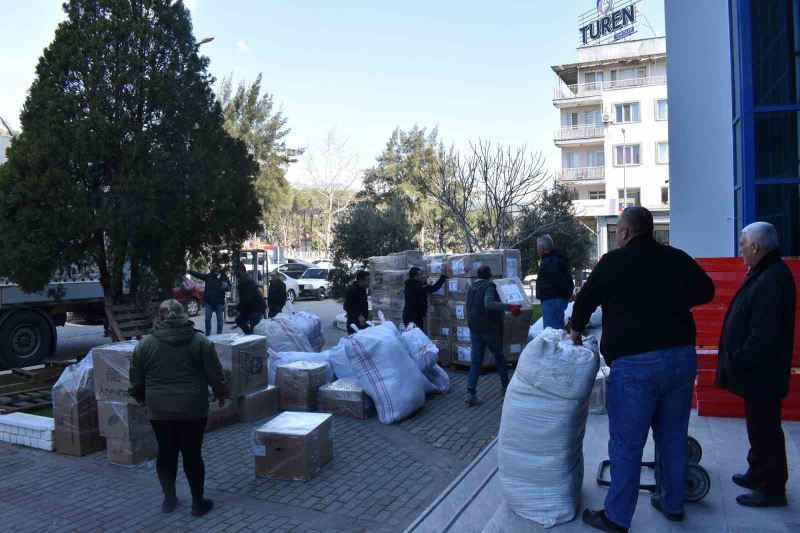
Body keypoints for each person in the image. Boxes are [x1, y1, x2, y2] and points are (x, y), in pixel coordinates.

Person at [570, 207, 715, 533]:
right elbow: (707, 290)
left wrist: (575, 331)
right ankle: (673, 503)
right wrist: (673, 298)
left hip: (635, 366)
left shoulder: (612, 262)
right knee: (673, 437)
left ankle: (617, 517)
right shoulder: (676, 258)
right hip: (680, 359)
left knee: (627, 443)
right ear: (650, 230)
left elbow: (585, 302)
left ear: (623, 232)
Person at [716, 222, 795, 508]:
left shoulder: (771, 278)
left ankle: (772, 488)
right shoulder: (766, 272)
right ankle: (757, 472)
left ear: (756, 247)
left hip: (763, 372)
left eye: (742, 245)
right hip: (759, 373)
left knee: (766, 431)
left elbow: (764, 336)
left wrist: (737, 358)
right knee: (758, 428)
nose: (740, 251)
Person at [128, 299, 227, 517]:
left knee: (166, 454)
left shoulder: (145, 345)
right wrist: (221, 393)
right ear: (184, 315)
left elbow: (135, 380)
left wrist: (141, 398)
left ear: (160, 317)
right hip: (193, 409)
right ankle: (198, 503)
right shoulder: (200, 341)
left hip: (159, 410)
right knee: (192, 454)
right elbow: (215, 374)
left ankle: (169, 500)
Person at [465, 265, 522, 406]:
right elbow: (489, 303)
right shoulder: (488, 286)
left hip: (475, 329)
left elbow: (468, 306)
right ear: (489, 275)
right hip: (488, 329)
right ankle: (505, 387)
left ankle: (471, 393)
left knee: (476, 362)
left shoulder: (472, 288)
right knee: (499, 358)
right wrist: (510, 307)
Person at [536, 234, 575, 330]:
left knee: (552, 334)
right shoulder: (557, 258)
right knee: (556, 331)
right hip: (555, 300)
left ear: (541, 248)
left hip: (552, 301)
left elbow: (559, 281)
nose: (537, 250)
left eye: (537, 247)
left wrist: (566, 294)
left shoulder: (550, 261)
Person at [188, 261, 231, 337]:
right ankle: (208, 335)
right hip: (209, 301)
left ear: (220, 268)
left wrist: (226, 287)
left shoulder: (224, 277)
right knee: (207, 319)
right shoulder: (209, 276)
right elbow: (199, 275)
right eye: (215, 267)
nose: (216, 268)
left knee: (220, 319)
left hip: (219, 302)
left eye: (218, 267)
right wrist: (190, 271)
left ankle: (219, 336)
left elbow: (229, 287)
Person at [403, 267, 447, 331]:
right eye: (420, 275)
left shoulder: (411, 284)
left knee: (416, 336)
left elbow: (421, 288)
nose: (421, 276)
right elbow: (433, 289)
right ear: (415, 276)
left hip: (412, 315)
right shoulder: (415, 286)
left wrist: (426, 282)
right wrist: (442, 278)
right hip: (412, 317)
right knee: (417, 337)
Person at [234, 263, 266, 334]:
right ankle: (249, 335)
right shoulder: (243, 279)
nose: (235, 273)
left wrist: (238, 308)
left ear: (241, 270)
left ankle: (252, 338)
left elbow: (246, 298)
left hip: (256, 308)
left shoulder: (246, 281)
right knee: (239, 321)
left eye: (236, 271)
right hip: (250, 307)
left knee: (254, 329)